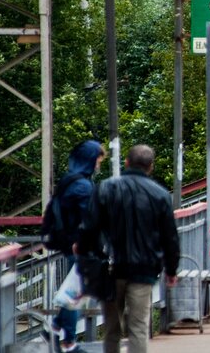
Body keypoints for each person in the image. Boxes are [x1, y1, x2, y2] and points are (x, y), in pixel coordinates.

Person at [79, 145, 180, 353]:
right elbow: (170, 237)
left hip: (110, 268)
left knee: (111, 329)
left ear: (126, 162)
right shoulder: (160, 195)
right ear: (150, 167)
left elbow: (89, 228)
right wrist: (171, 269)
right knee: (138, 327)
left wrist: (88, 258)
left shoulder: (105, 188)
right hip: (144, 270)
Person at [50, 140, 105, 353]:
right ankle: (68, 342)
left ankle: (54, 328)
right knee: (76, 291)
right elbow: (88, 218)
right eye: (97, 161)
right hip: (78, 244)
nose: (98, 166)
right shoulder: (82, 185)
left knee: (77, 289)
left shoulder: (73, 180)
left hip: (71, 241)